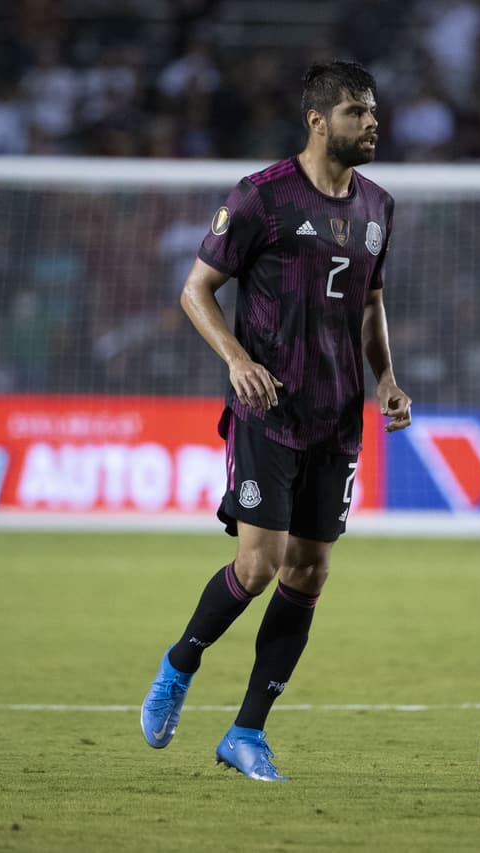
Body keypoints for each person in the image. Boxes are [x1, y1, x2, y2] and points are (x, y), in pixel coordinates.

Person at [140, 59, 412, 782]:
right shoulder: (260, 198)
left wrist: (385, 377)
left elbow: (368, 304)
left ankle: (246, 732)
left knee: (311, 572)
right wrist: (234, 358)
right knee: (258, 565)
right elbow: (197, 290)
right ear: (318, 121)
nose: (373, 122)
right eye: (357, 111)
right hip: (269, 411)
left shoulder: (380, 207)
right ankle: (181, 661)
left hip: (337, 421)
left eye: (374, 110)